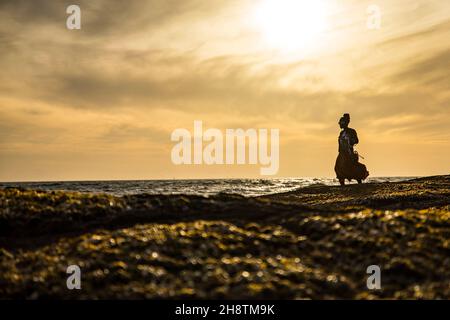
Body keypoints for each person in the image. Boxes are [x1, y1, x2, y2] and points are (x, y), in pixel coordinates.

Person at [334, 113, 369, 185]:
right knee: (338, 168)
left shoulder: (352, 131)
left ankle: (359, 182)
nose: (339, 124)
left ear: (344, 123)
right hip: (341, 153)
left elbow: (356, 140)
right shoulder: (341, 133)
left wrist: (351, 142)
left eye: (340, 122)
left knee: (352, 167)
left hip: (349, 152)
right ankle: (342, 184)